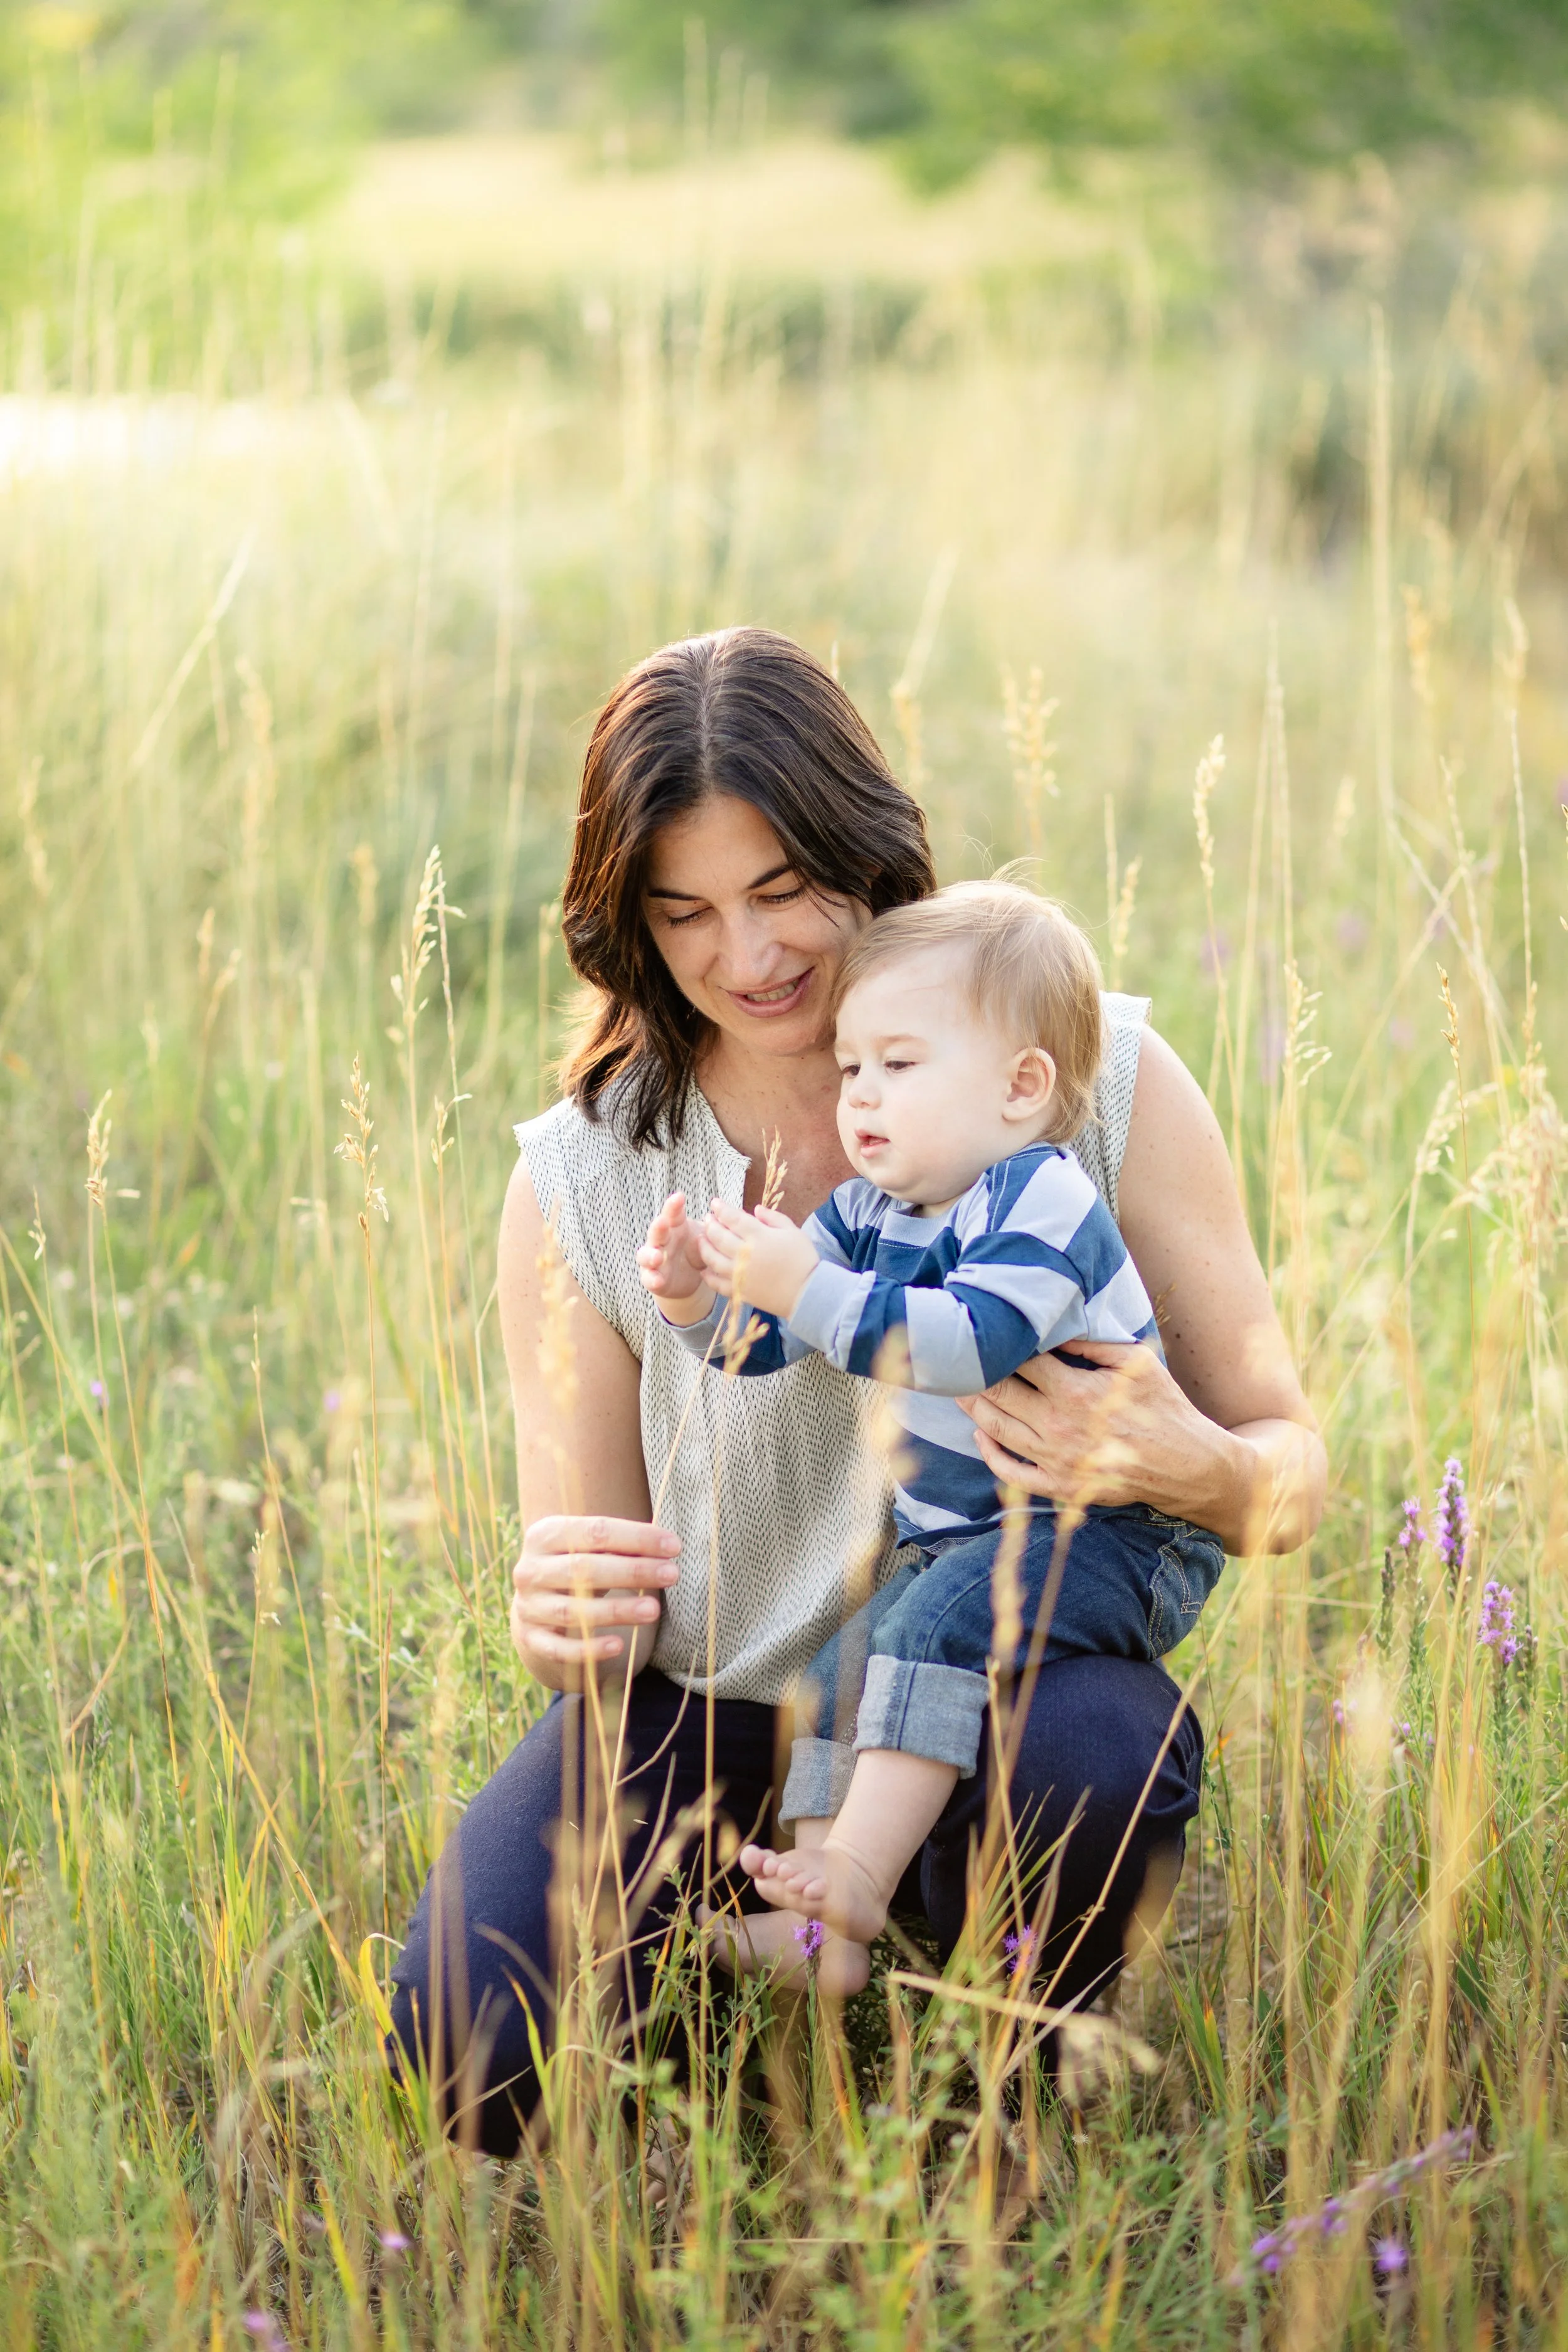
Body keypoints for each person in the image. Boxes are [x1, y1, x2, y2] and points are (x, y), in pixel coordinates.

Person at [386, 625, 1325, 2156]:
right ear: (626, 921)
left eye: (778, 894)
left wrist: (1191, 1465)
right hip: (718, 1716)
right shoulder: (586, 1178)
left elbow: (1288, 1465)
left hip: (1000, 1681)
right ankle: (743, 1964)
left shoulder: (1082, 1085)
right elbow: (589, 1604)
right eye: (682, 912)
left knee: (1094, 1761)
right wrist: (551, 1609)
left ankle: (994, 2055)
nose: (745, 958)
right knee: (469, 2050)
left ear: (863, 851)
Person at [637, 880, 1225, 1994]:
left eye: (899, 1065)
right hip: (962, 1538)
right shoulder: (872, 1208)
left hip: (1112, 1531)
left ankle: (860, 1870)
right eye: (850, 1067)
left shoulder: (1040, 1198)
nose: (861, 1096)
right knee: (836, 1671)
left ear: (1021, 1085)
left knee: (936, 1634)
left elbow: (963, 1343)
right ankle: (822, 1931)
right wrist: (698, 1307)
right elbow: (772, 1346)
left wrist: (805, 1286)